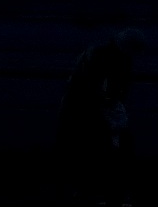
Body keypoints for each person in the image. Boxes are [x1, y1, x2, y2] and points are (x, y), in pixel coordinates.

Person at [58, 28, 145, 206]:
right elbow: (114, 88)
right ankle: (104, 189)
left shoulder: (98, 54)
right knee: (105, 148)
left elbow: (85, 86)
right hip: (92, 108)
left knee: (88, 149)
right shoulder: (116, 60)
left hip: (85, 107)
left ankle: (88, 189)